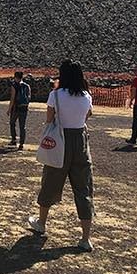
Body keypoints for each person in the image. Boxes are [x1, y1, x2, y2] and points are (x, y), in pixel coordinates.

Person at [28, 60, 94, 253]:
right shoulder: (86, 96)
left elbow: (49, 119)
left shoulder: (55, 95)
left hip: (60, 140)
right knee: (84, 188)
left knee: (50, 181)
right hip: (80, 142)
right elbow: (87, 116)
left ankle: (41, 223)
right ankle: (85, 238)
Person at [7, 71, 31, 150]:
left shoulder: (14, 86)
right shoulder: (27, 86)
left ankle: (14, 139)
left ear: (15, 77)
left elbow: (12, 98)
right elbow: (29, 97)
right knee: (22, 126)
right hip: (24, 108)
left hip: (16, 108)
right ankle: (21, 143)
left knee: (12, 123)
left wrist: (9, 109)